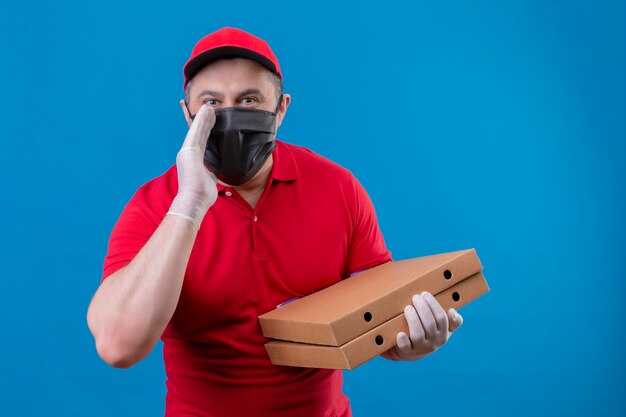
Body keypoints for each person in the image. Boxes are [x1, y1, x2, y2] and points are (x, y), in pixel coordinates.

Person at [86, 27, 464, 417]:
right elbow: (118, 346)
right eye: (211, 103)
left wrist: (409, 343)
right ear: (187, 115)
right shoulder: (153, 206)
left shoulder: (338, 188)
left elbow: (380, 319)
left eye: (248, 100)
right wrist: (189, 205)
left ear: (280, 109)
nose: (229, 116)